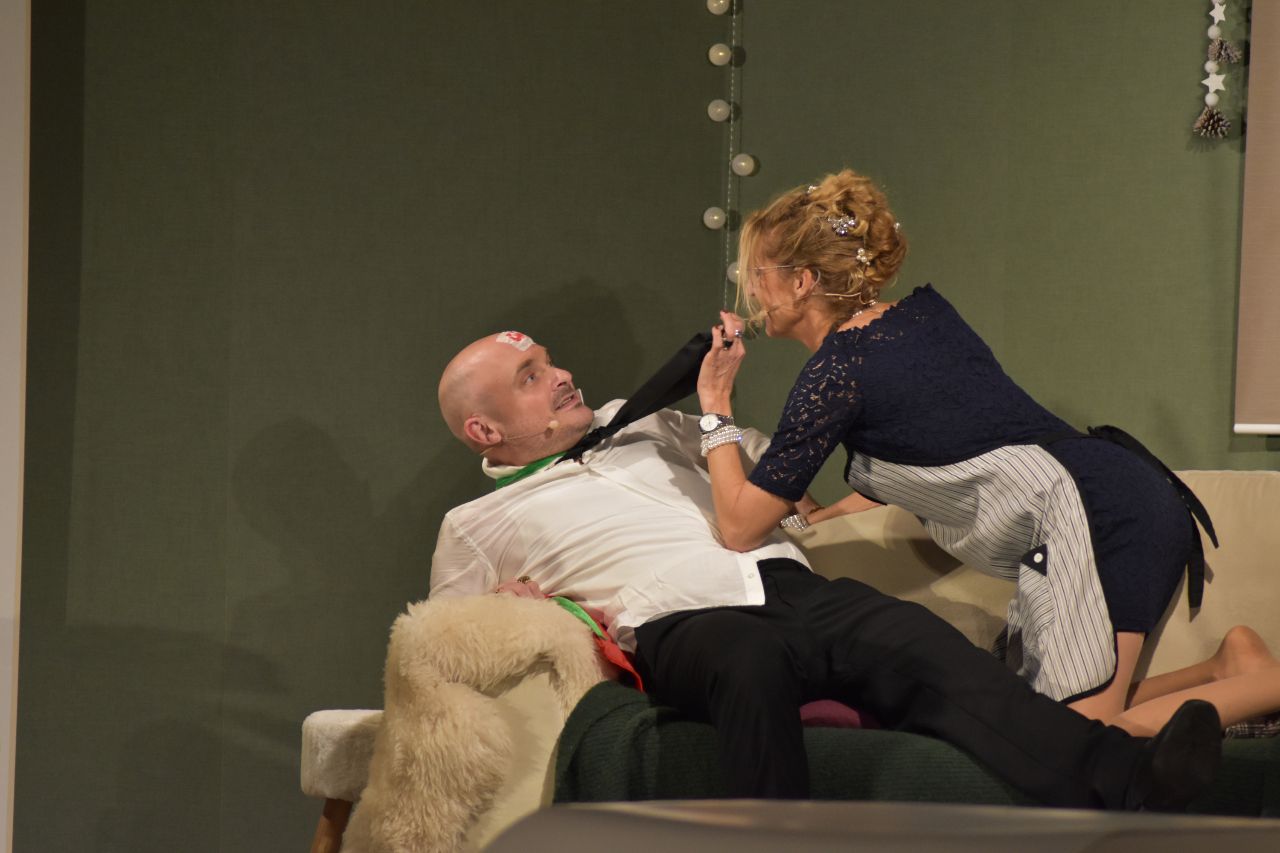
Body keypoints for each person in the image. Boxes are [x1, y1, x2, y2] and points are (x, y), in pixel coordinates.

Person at [429, 328, 1223, 807]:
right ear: (483, 429)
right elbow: (442, 646)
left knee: (916, 639)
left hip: (790, 583)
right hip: (684, 622)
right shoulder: (474, 526)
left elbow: (770, 475)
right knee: (748, 661)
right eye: (530, 377)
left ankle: (1132, 779)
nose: (561, 376)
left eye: (548, 361)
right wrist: (509, 606)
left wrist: (813, 502)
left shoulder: (645, 424)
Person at [695, 168, 1280, 737]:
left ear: (801, 282)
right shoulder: (923, 318)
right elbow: (936, 454)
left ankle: (1266, 682)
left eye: (757, 273)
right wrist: (821, 519)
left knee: (1073, 743)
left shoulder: (837, 371)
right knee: (1031, 722)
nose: (752, 290)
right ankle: (1226, 670)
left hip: (1092, 517)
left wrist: (716, 404)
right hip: (1128, 495)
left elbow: (739, 528)